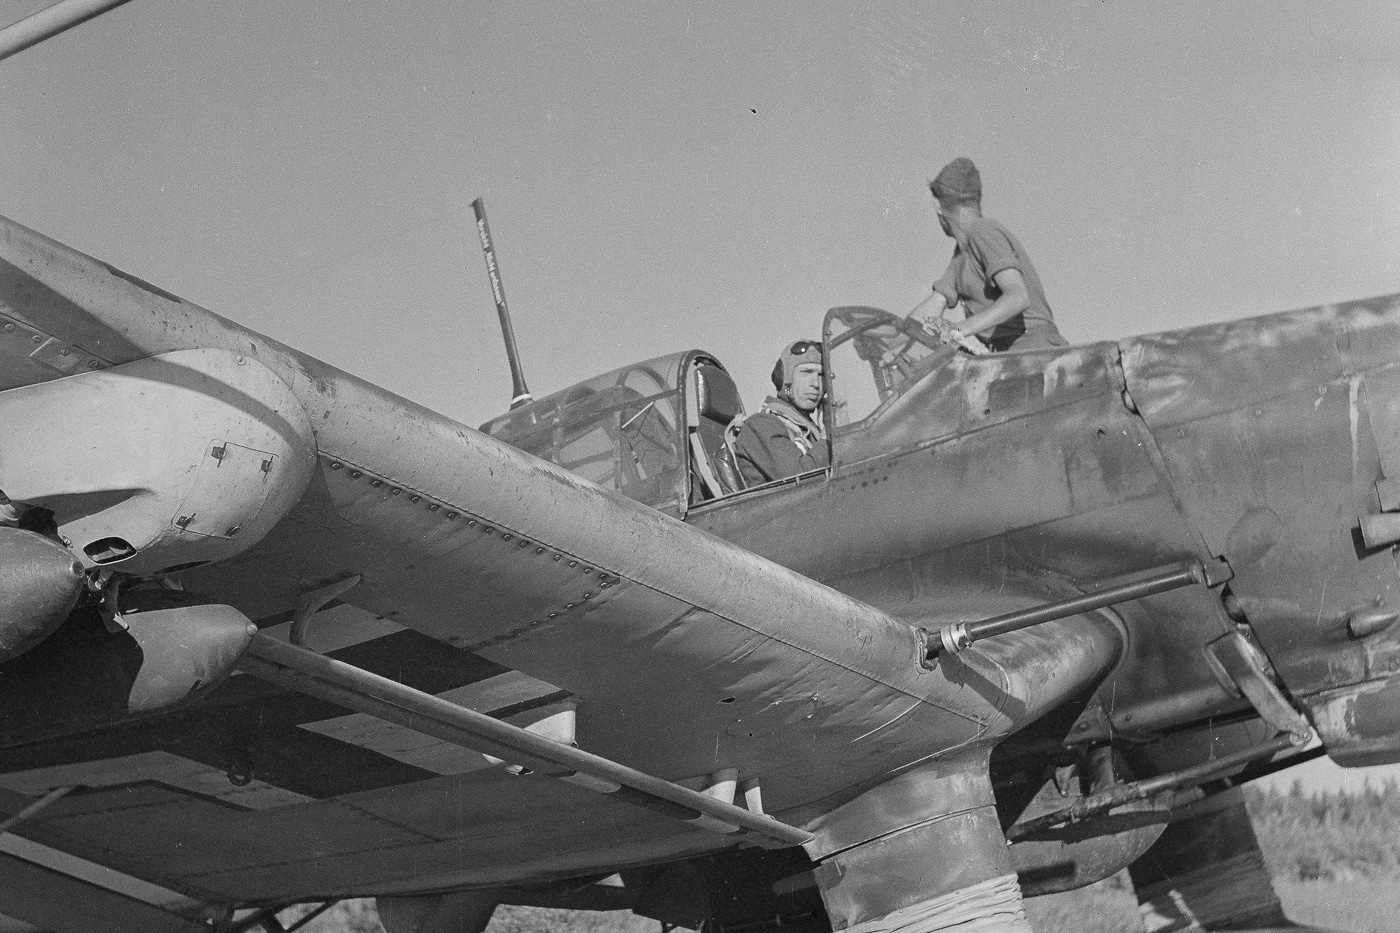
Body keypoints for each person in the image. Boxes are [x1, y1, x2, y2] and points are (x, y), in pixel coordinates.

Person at [915, 157, 1067, 353]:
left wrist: (956, 330)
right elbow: (933, 308)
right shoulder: (961, 254)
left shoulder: (982, 232)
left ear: (937, 205)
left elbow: (1018, 296)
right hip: (1007, 356)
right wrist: (892, 343)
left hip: (1034, 352)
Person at [732, 340, 830, 486]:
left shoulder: (810, 431)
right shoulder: (762, 424)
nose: (816, 383)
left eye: (821, 375)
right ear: (785, 379)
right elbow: (800, 478)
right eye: (806, 372)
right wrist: (829, 435)